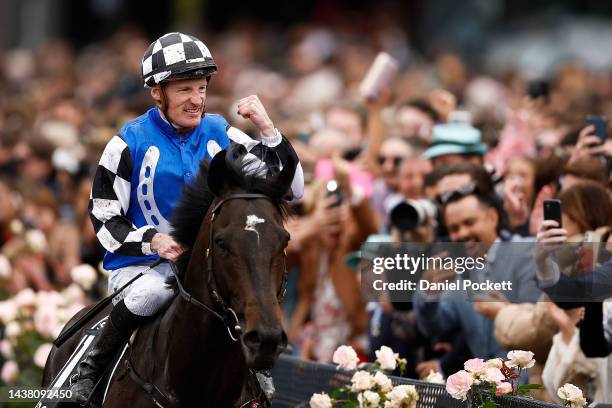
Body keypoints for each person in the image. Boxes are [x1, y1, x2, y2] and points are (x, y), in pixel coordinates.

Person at [70, 32, 303, 405]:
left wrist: (267, 128)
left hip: (208, 266)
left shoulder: (219, 132)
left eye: (201, 88)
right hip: (144, 267)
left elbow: (292, 189)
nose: (196, 100)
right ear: (157, 93)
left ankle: (258, 372)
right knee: (150, 294)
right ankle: (88, 373)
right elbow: (103, 214)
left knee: (246, 296)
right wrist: (152, 242)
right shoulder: (127, 142)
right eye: (184, 90)